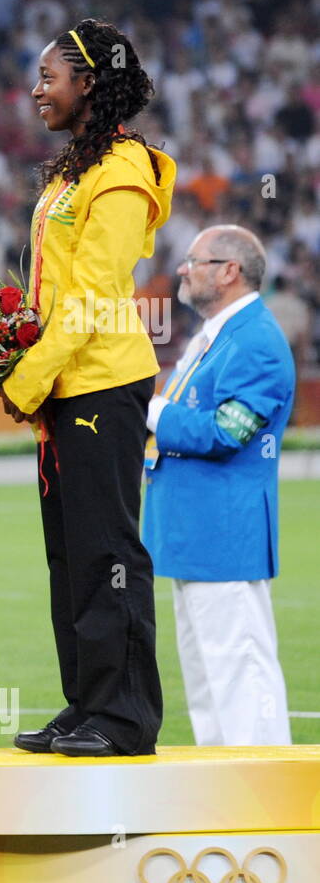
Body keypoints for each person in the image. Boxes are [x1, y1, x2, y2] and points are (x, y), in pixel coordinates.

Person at [0, 19, 175, 758]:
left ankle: (126, 715)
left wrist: (30, 375)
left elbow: (97, 293)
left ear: (90, 83)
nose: (37, 90)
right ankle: (87, 702)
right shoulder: (75, 168)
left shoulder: (125, 168)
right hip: (67, 384)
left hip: (102, 381)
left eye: (50, 77)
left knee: (108, 548)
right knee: (69, 551)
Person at [142, 226, 295, 745]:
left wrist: (150, 410)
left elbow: (226, 433)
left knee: (240, 675)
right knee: (209, 681)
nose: (182, 269)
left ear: (229, 271)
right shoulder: (219, 333)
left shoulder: (254, 340)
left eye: (194, 260)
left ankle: (265, 804)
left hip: (223, 532)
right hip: (197, 532)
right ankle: (227, 797)